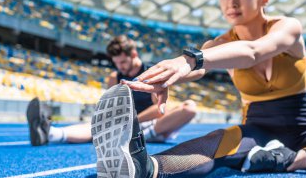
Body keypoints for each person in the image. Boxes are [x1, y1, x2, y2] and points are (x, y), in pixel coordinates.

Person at [90, 0, 306, 178]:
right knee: (217, 140)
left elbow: (253, 51)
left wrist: (191, 60)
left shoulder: (288, 27)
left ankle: (294, 160)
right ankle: (143, 171)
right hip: (257, 133)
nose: (232, 3)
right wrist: (168, 76)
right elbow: (198, 71)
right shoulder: (218, 46)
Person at [27, 35, 197, 146]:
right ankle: (51, 133)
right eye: (116, 63)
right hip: (124, 125)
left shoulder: (151, 72)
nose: (120, 66)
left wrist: (132, 121)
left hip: (151, 124)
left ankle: (141, 137)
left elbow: (160, 110)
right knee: (96, 125)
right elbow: (112, 108)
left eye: (123, 62)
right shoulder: (114, 77)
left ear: (134, 55)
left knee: (189, 107)